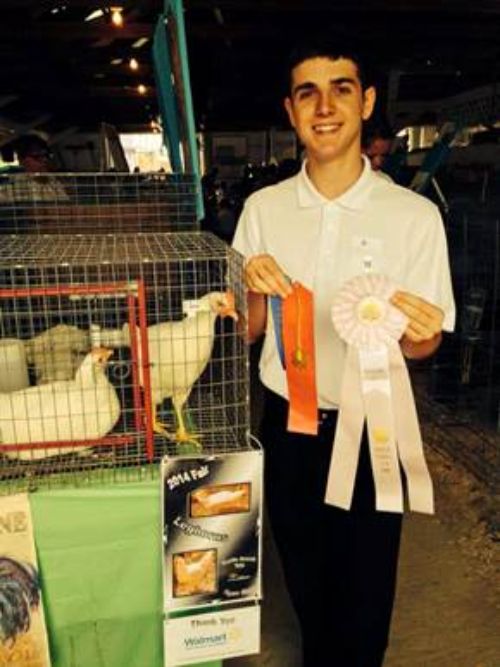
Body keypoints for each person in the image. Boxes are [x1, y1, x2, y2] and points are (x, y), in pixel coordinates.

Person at [232, 39, 455, 667]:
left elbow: (425, 345)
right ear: (291, 109)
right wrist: (248, 289)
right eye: (308, 92)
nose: (324, 106)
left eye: (342, 89)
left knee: (365, 593)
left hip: (373, 429)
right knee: (305, 582)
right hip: (288, 424)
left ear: (367, 103)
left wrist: (422, 329)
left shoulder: (412, 217)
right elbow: (249, 331)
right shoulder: (262, 211)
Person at [0, 133, 68, 202]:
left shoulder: (54, 182)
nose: (44, 160)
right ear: (22, 160)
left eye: (46, 155)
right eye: (37, 157)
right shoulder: (13, 186)